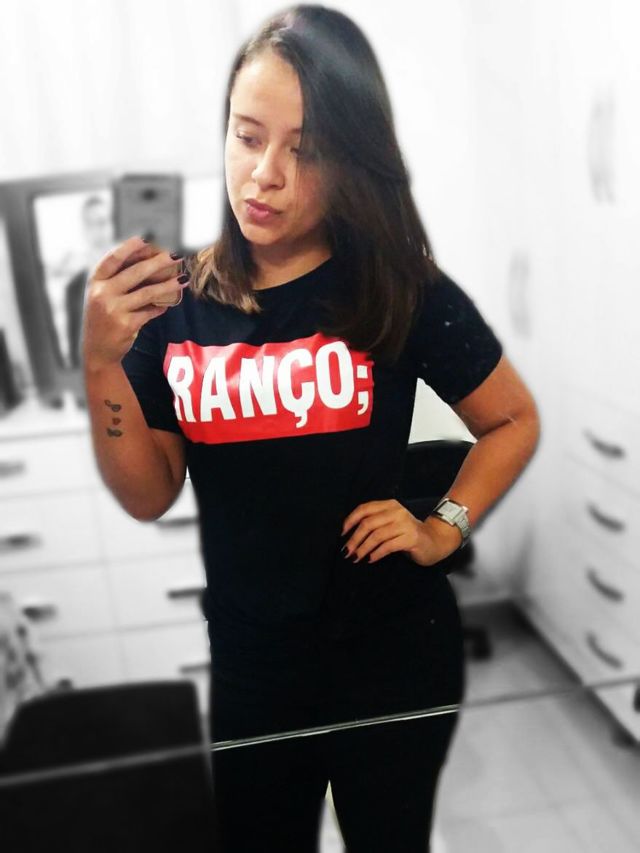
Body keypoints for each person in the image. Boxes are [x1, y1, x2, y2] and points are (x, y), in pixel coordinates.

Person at [81, 5, 541, 851]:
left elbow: (513, 418)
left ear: (352, 161)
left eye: (309, 149)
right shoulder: (176, 306)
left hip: (393, 659)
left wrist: (443, 526)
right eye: (248, 136)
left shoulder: (397, 287)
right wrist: (101, 366)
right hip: (255, 665)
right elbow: (149, 494)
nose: (266, 175)